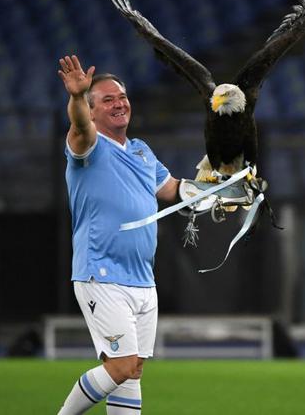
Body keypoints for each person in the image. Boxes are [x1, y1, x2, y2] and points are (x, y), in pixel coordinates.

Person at [55, 54, 180, 415]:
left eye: (122, 97)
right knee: (121, 366)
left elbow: (172, 189)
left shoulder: (141, 151)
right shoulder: (87, 145)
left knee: (133, 372)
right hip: (102, 273)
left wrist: (215, 190)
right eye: (107, 99)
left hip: (142, 277)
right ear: (92, 111)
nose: (119, 103)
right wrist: (78, 97)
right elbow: (78, 127)